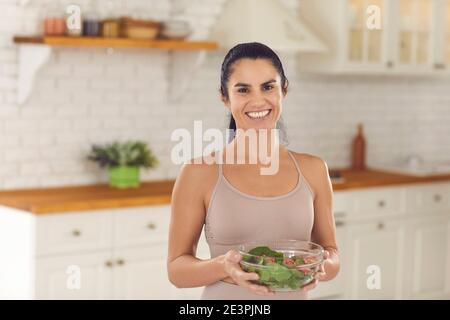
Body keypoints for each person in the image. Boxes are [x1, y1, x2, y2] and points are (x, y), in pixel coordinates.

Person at [167, 42, 339, 300]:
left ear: (284, 91)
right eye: (243, 90)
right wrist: (222, 266)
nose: (258, 100)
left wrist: (320, 266)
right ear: (225, 98)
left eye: (268, 87)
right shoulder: (198, 172)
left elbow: (331, 253)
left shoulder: (314, 169)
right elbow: (176, 269)